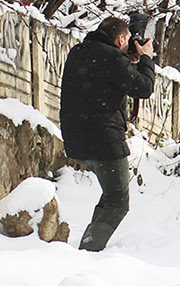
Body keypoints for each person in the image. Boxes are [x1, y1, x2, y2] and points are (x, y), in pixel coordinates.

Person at [60, 15, 156, 252]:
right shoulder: (112, 58)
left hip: (75, 141)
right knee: (117, 202)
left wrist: (125, 58)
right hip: (104, 142)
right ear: (122, 38)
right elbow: (143, 88)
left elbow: (102, 76)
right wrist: (145, 58)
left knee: (111, 194)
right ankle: (89, 250)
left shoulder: (78, 52)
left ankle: (89, 244)